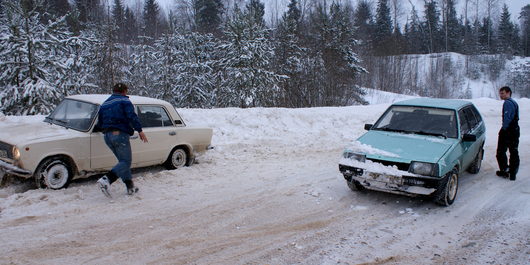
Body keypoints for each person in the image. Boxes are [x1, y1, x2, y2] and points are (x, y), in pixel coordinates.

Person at [96, 83, 148, 197]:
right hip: (119, 134)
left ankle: (130, 187)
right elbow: (132, 116)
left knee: (122, 162)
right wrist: (139, 130)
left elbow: (99, 123)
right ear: (124, 91)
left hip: (107, 136)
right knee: (126, 162)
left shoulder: (104, 104)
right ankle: (106, 179)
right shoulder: (124, 101)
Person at [496, 86, 519, 181]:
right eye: (500, 93)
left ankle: (504, 170)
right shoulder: (514, 102)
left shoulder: (507, 103)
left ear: (508, 93)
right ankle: (513, 173)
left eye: (503, 93)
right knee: (513, 151)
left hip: (508, 130)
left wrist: (503, 129)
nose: (501, 95)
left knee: (501, 151)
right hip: (515, 129)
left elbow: (507, 118)